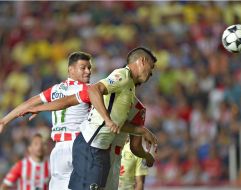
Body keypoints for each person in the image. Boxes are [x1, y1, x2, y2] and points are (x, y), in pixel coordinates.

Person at [0, 52, 92, 190]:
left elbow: (29, 103)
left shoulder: (55, 90)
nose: (88, 71)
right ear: (70, 70)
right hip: (79, 146)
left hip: (59, 149)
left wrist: (4, 120)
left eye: (89, 68)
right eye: (83, 67)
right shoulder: (89, 90)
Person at [71, 46, 156, 190]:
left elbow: (119, 124)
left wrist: (142, 131)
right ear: (142, 61)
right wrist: (107, 119)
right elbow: (93, 89)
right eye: (151, 67)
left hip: (101, 148)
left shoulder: (129, 88)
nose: (151, 73)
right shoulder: (122, 75)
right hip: (91, 143)